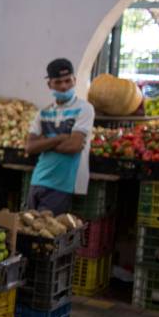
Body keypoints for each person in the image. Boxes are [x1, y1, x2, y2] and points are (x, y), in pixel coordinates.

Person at [25, 58, 95, 214]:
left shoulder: (85, 109)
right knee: (30, 230)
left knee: (49, 232)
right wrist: (59, 138)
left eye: (67, 81)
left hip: (63, 183)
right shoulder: (43, 112)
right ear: (49, 84)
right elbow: (29, 147)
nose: (64, 86)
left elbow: (74, 146)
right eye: (58, 82)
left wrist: (44, 143)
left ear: (74, 80)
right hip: (38, 179)